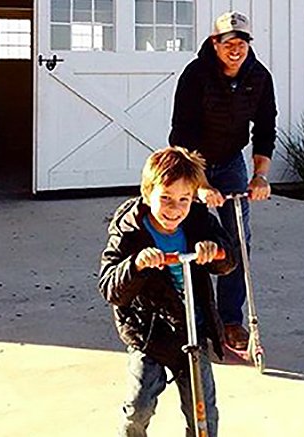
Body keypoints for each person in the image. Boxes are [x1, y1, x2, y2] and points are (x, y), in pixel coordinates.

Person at [99, 146, 237, 437]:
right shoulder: (129, 231)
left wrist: (216, 253)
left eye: (183, 199)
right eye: (166, 199)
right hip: (150, 335)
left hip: (193, 330)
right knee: (138, 408)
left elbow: (230, 260)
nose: (175, 209)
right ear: (147, 194)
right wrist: (136, 265)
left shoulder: (199, 221)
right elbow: (110, 287)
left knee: (203, 412)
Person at [169, 10, 277, 351]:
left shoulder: (259, 77)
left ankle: (231, 321)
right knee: (188, 235)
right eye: (228, 42)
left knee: (236, 241)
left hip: (231, 162)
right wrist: (198, 184)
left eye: (242, 42)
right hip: (192, 162)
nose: (236, 49)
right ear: (215, 44)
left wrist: (260, 176)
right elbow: (180, 133)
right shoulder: (195, 75)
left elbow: (265, 129)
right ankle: (191, 318)